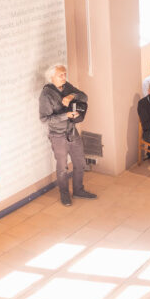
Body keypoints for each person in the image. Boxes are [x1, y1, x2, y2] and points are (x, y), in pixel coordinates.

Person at [39, 64, 96, 206]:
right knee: (62, 167)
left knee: (80, 162)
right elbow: (44, 119)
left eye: (65, 74)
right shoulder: (46, 95)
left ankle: (78, 190)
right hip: (57, 136)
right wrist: (66, 115)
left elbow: (84, 96)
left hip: (72, 131)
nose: (64, 77)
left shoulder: (66, 86)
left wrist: (71, 95)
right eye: (61, 75)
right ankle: (64, 195)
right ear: (52, 77)